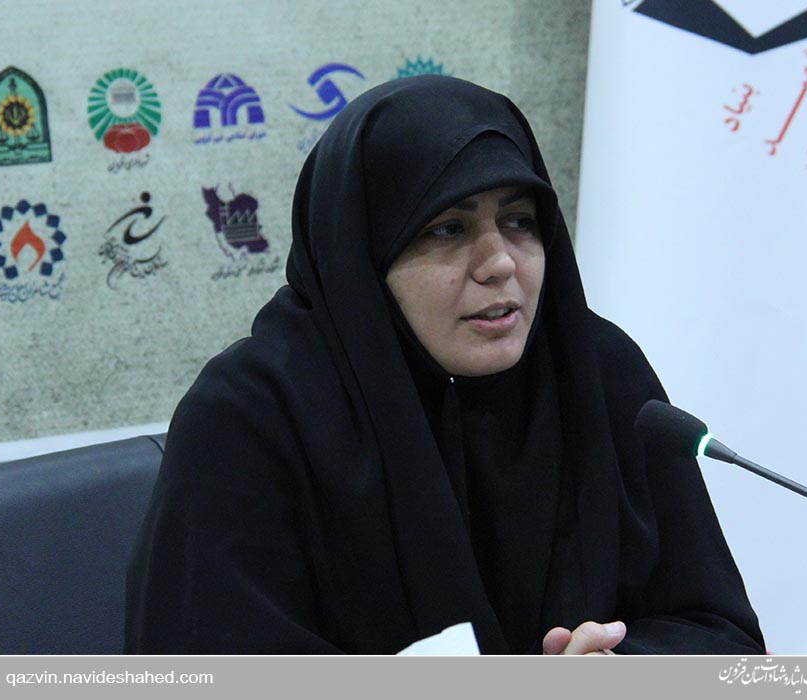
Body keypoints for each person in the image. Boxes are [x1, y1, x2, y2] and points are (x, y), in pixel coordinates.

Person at [124, 75, 765, 655]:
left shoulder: (600, 374)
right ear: (362, 253)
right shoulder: (251, 416)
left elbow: (722, 635)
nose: (500, 263)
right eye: (447, 229)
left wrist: (624, 669)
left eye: (520, 221)